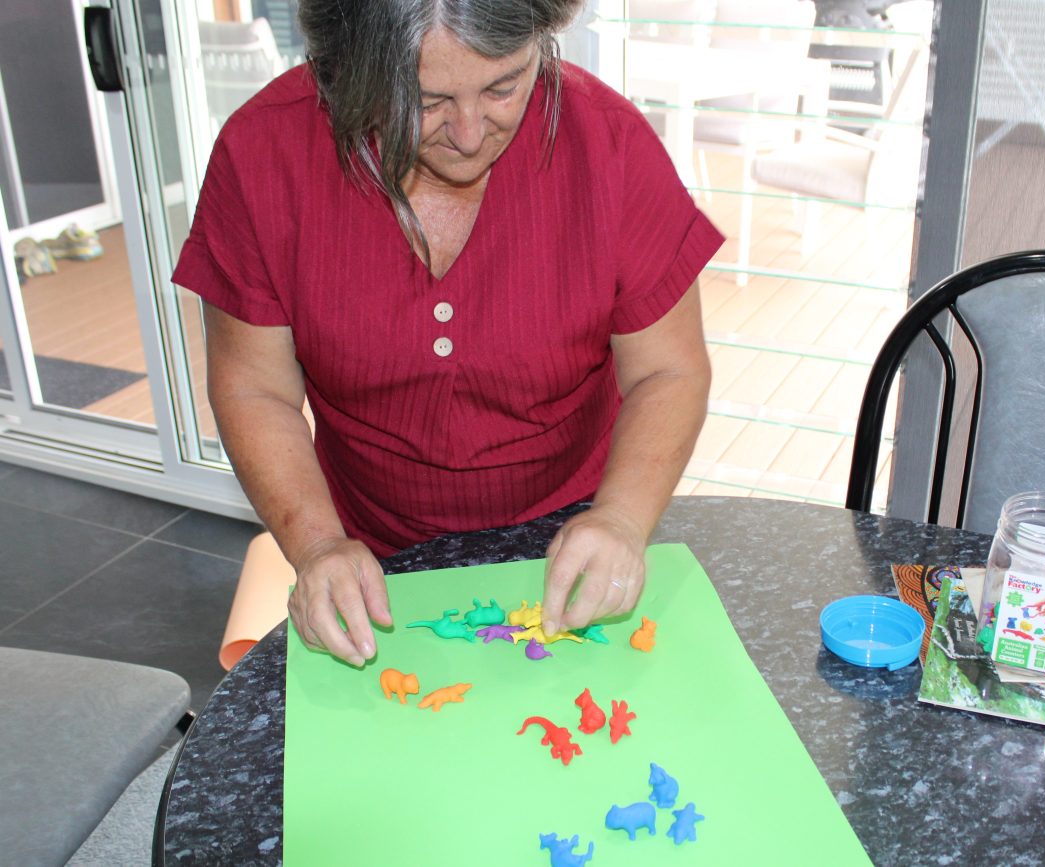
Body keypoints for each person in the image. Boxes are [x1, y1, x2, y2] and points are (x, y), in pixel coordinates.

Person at [172, 0, 723, 666]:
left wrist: (621, 520)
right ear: (344, 74)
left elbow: (668, 371)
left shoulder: (609, 144)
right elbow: (253, 387)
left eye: (503, 85)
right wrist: (317, 545)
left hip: (575, 535)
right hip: (373, 556)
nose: (469, 133)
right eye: (423, 100)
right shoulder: (264, 154)